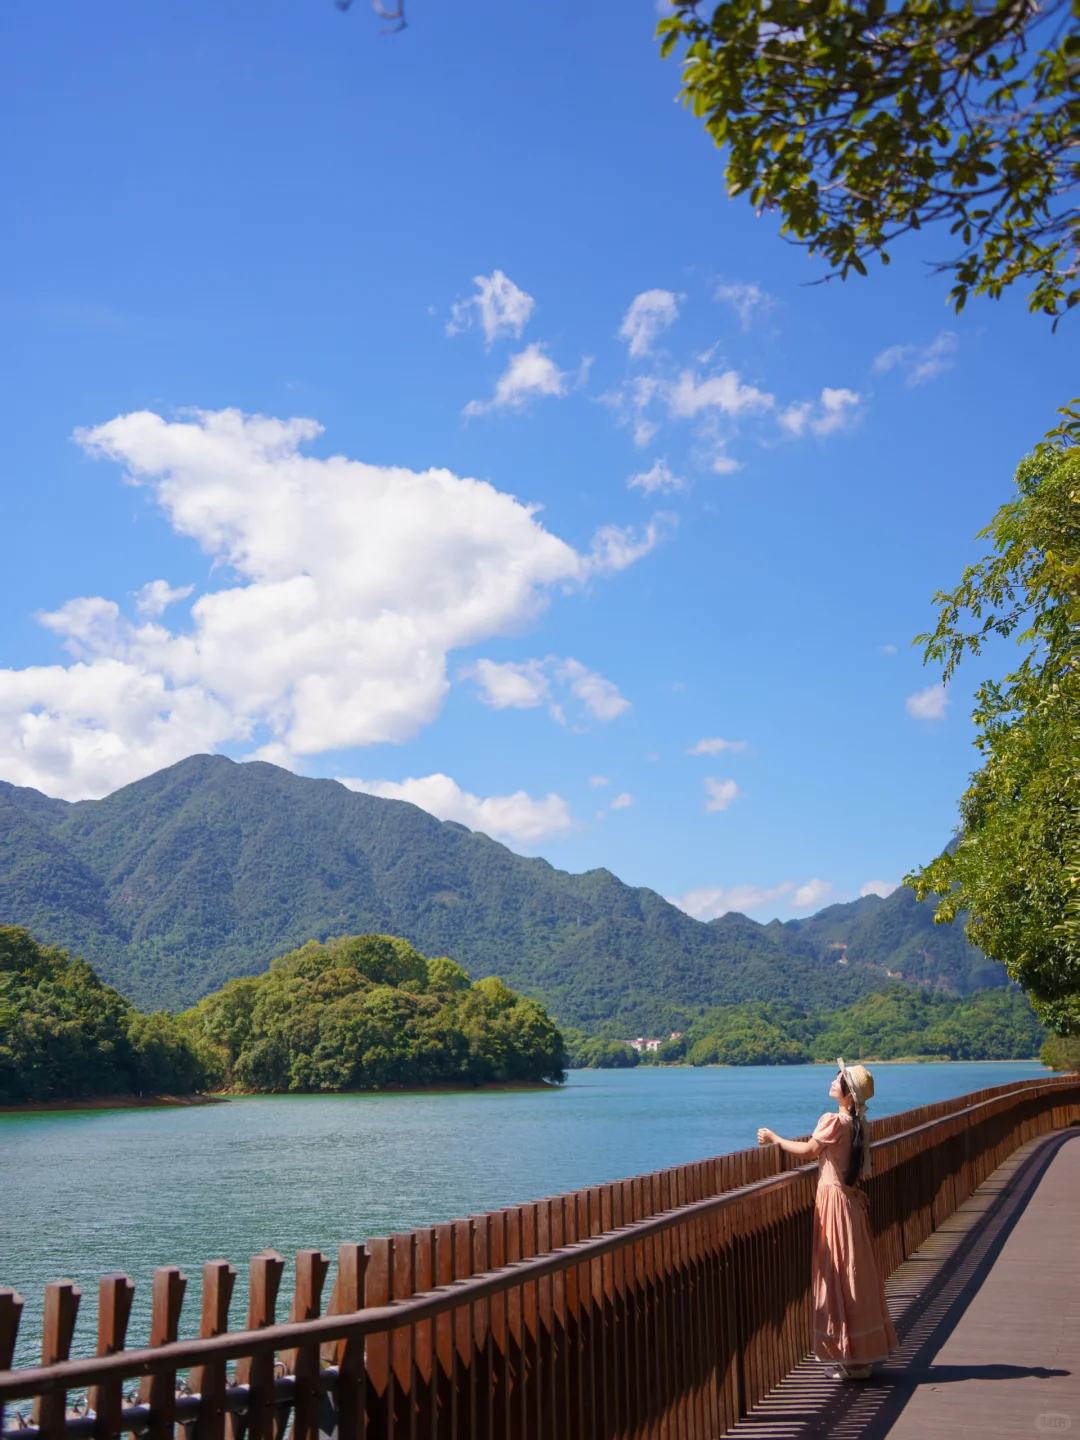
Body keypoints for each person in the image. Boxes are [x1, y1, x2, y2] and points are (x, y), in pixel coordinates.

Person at [757, 1057, 898, 1380]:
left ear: (848, 1094)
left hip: (833, 1202)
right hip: (846, 1199)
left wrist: (775, 1139)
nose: (834, 1081)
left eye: (839, 1079)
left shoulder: (834, 1122)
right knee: (853, 1275)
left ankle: (849, 1357)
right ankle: (858, 1358)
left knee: (835, 1275)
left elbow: (809, 1150)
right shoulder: (857, 1124)